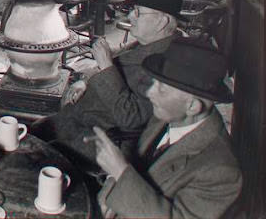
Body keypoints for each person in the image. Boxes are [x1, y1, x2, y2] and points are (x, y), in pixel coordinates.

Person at [90, 38, 242, 219]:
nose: (149, 93)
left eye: (162, 89)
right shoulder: (166, 116)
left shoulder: (222, 172)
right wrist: (111, 183)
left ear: (193, 106)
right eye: (154, 83)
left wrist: (119, 171)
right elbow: (139, 157)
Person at [31, 0, 183, 163]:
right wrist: (86, 80)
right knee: (35, 130)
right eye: (132, 10)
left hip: (99, 139)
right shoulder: (150, 43)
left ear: (162, 21)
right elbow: (115, 70)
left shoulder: (165, 65)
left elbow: (131, 118)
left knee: (32, 153)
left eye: (138, 12)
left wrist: (105, 64)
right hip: (82, 118)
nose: (130, 16)